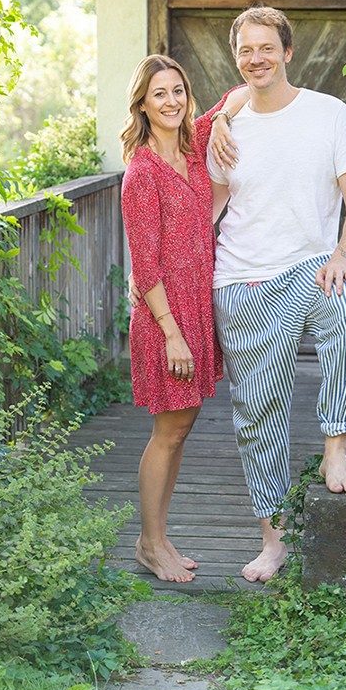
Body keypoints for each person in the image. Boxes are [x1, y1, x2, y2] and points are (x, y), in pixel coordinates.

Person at [206, 6, 346, 583]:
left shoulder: (328, 115)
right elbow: (209, 208)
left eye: (267, 48)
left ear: (288, 51)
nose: (257, 59)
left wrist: (342, 256)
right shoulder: (224, 130)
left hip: (311, 269)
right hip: (243, 281)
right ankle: (272, 540)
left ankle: (335, 446)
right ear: (237, 59)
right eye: (246, 50)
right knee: (259, 413)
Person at [120, 54, 246, 583]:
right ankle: (148, 543)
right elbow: (144, 267)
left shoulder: (194, 145)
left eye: (178, 91)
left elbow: (239, 93)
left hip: (195, 308)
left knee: (182, 427)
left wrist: (217, 119)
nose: (171, 101)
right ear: (143, 106)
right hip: (163, 318)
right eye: (159, 94)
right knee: (166, 432)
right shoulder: (142, 173)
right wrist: (172, 333)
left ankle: (160, 535)